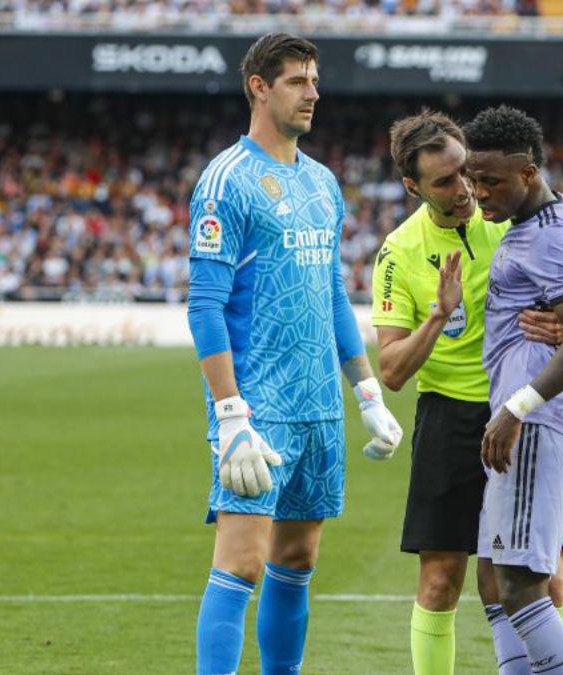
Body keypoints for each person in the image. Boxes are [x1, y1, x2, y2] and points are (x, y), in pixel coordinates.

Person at [184, 33, 403, 675]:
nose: (314, 93)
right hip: (257, 407)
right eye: (298, 81)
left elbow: (331, 291)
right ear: (259, 86)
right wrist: (229, 413)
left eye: (315, 80)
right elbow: (205, 305)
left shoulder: (323, 182)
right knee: (242, 560)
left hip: (319, 405)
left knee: (298, 561)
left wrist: (366, 392)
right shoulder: (227, 181)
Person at [373, 109, 563, 675]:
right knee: (447, 579)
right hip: (453, 415)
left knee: (542, 574)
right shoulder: (400, 251)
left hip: (523, 410)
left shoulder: (507, 207)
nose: (465, 190)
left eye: (468, 173)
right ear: (413, 187)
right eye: (445, 181)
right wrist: (437, 317)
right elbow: (390, 370)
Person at [465, 105, 563, 675]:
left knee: (524, 584)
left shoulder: (547, 236)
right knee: (493, 575)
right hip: (533, 419)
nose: (478, 192)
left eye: (490, 180)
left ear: (527, 171)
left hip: (538, 422)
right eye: (472, 179)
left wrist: (517, 409)